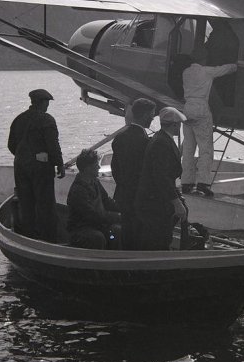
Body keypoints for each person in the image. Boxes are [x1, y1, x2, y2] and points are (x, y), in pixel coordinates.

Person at [7, 88, 65, 241]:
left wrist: (23, 158)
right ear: (42, 103)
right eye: (47, 102)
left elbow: (11, 145)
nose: (48, 106)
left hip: (20, 166)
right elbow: (53, 145)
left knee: (26, 203)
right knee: (46, 204)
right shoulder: (47, 120)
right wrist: (59, 164)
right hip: (40, 168)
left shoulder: (18, 119)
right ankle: (50, 240)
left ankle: (28, 238)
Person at [180, 49, 237, 197]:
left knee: (188, 147)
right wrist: (236, 65)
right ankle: (203, 184)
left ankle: (186, 183)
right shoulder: (206, 71)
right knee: (206, 148)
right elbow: (224, 70)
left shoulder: (185, 72)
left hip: (187, 108)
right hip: (200, 108)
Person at [134, 107, 188, 250]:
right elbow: (162, 177)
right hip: (155, 204)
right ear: (175, 125)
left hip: (156, 200)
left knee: (160, 238)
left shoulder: (162, 139)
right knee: (158, 240)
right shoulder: (161, 143)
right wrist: (177, 203)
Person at [111, 98, 156, 250]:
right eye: (151, 115)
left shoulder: (120, 138)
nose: (152, 118)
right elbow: (148, 173)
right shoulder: (146, 142)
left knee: (127, 234)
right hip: (140, 198)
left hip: (123, 195)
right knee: (140, 237)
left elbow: (115, 169)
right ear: (144, 115)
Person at [66, 149, 122, 249]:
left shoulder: (94, 182)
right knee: (98, 238)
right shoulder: (78, 191)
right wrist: (117, 217)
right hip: (81, 230)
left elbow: (107, 202)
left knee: (117, 231)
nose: (99, 167)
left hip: (96, 225)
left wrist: (124, 209)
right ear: (88, 168)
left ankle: (113, 258)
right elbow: (92, 215)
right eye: (96, 165)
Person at [204, 19, 239, 106]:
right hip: (224, 68)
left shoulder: (220, 33)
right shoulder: (230, 34)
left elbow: (211, 48)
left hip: (218, 67)